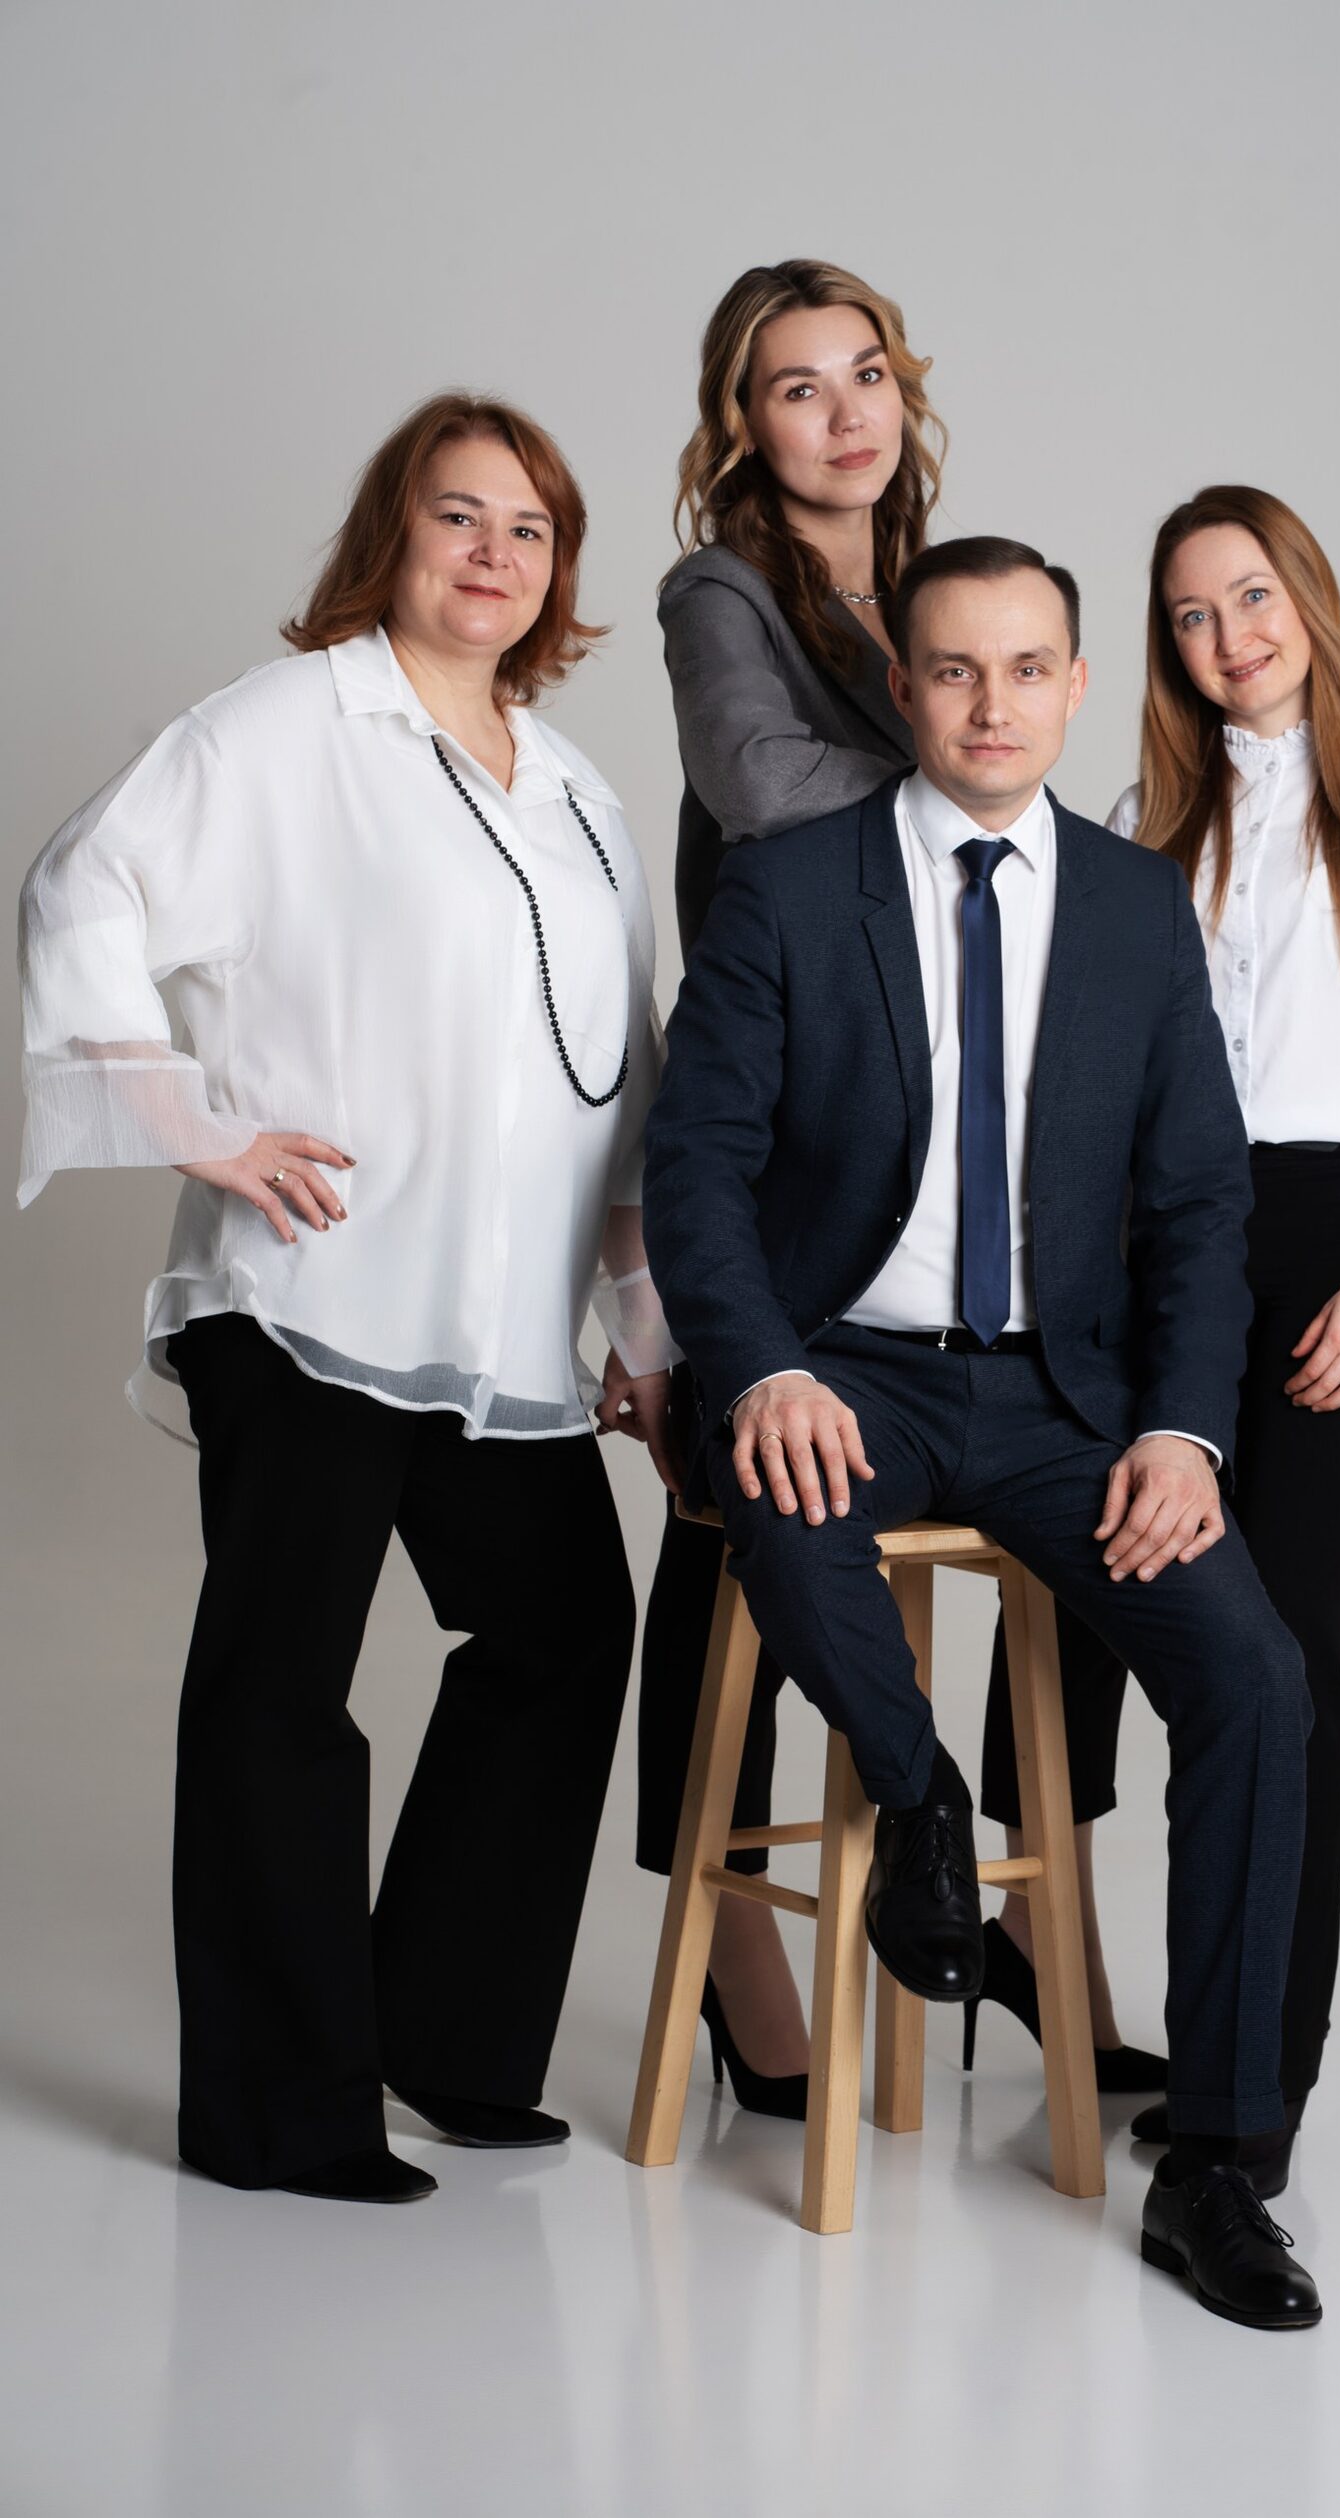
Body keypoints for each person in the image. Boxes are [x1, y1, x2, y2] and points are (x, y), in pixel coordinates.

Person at [644, 536, 1324, 2331]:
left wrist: (1182, 1431)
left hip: (1060, 1402)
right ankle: (920, 1795)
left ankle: (1219, 2164)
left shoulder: (1134, 908)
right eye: (954, 669)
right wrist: (759, 1370)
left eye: (1029, 669)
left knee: (1256, 1679)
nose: (992, 704)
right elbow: (697, 1166)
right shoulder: (790, 889)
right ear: (905, 687)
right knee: (784, 1494)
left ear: (1077, 686)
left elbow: (1198, 1207)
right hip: (840, 1367)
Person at [17, 392, 679, 2205]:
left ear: (558, 569)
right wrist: (194, 1125)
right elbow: (83, 883)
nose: (493, 552)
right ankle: (274, 2112)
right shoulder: (292, 722)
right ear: (393, 532)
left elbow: (619, 1087)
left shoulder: (581, 792)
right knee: (281, 1686)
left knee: (563, 1635)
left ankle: (444, 2040)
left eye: (529, 528)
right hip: (308, 1294)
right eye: (458, 514)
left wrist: (642, 1337)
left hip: (494, 1330)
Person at [980, 485, 1340, 2198]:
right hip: (1170, 1242)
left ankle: (1259, 2077)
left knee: (1287, 1653)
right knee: (1106, 1583)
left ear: (1310, 594)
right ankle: (1037, 1942)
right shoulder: (1154, 820)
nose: (1230, 636)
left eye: (1253, 596)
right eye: (1192, 614)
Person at [636, 259, 946, 2113]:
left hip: (912, 1112)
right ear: (742, 424)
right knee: (735, 1506)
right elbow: (755, 785)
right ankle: (734, 1958)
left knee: (957, 1490)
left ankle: (1008, 1923)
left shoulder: (933, 589)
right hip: (769, 1107)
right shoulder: (723, 590)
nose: (843, 413)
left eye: (867, 373)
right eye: (796, 385)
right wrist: (966, 767)